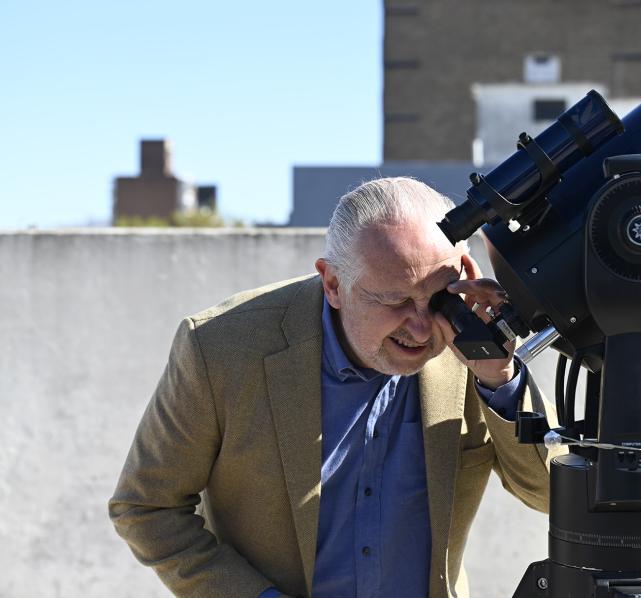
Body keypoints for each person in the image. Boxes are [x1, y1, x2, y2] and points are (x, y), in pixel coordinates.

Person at [109, 177, 559, 598]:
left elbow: (547, 494)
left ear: (463, 272)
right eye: (395, 301)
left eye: (437, 297)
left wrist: (498, 379)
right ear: (333, 283)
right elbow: (146, 507)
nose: (421, 328)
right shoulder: (220, 348)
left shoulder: (470, 347)